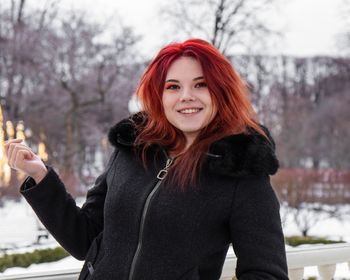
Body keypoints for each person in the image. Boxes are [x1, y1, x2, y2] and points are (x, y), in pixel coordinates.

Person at [5, 38, 289, 279]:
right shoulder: (133, 150)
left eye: (201, 85)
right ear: (159, 95)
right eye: (173, 87)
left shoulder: (241, 172)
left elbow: (267, 273)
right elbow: (85, 240)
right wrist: (40, 176)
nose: (186, 96)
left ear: (221, 92)